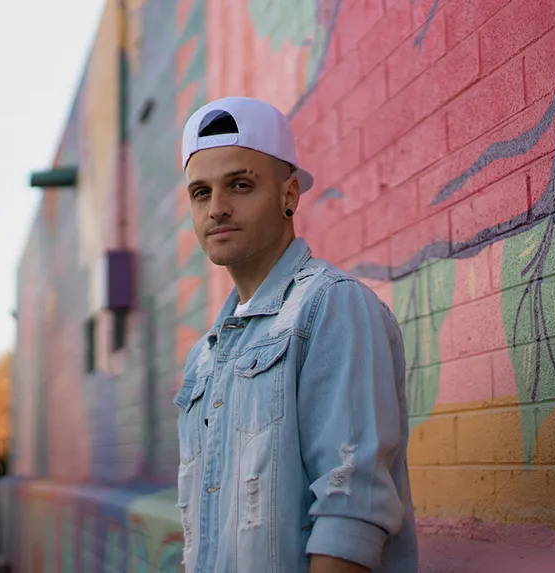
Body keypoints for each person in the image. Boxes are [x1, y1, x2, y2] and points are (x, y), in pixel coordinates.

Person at [175, 96, 418, 573]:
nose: (217, 209)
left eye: (240, 185)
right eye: (201, 193)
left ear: (289, 195)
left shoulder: (331, 305)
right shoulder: (205, 357)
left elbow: (350, 509)